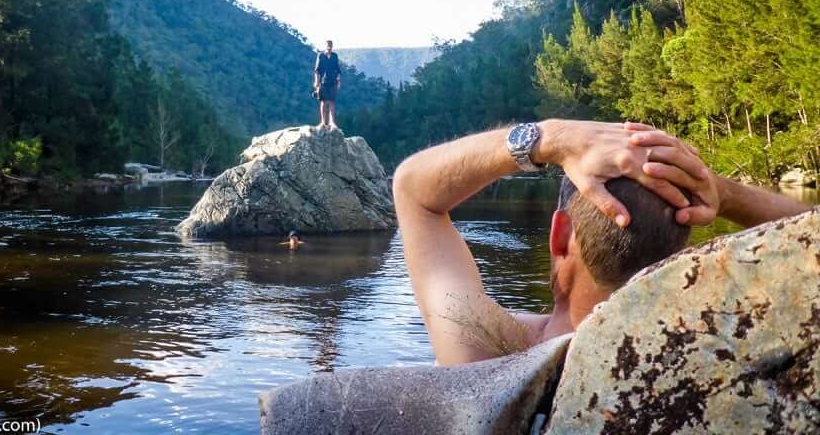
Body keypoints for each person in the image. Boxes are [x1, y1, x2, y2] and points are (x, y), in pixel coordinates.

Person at [392, 119, 811, 365]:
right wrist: (722, 191)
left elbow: (414, 191)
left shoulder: (487, 347)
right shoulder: (722, 349)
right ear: (681, 257)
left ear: (559, 237)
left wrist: (549, 138)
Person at [314, 40, 341, 131]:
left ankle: (332, 122)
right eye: (328, 46)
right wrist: (317, 82)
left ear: (332, 46)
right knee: (323, 102)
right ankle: (322, 122)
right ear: (325, 46)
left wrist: (338, 81)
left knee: (332, 102)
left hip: (333, 81)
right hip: (323, 82)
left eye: (330, 46)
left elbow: (337, 69)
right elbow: (317, 70)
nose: (329, 47)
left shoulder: (334, 56)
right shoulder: (321, 55)